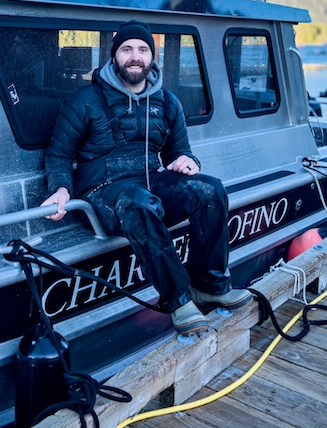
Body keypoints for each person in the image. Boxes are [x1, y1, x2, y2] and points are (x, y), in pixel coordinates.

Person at [40, 21, 252, 335]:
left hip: (150, 184)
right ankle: (179, 300)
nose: (135, 56)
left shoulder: (167, 102)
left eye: (142, 49)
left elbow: (179, 151)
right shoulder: (83, 101)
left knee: (210, 190)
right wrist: (60, 189)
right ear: (114, 57)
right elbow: (58, 154)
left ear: (152, 57)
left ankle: (210, 284)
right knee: (139, 202)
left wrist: (186, 161)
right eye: (127, 49)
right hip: (102, 193)